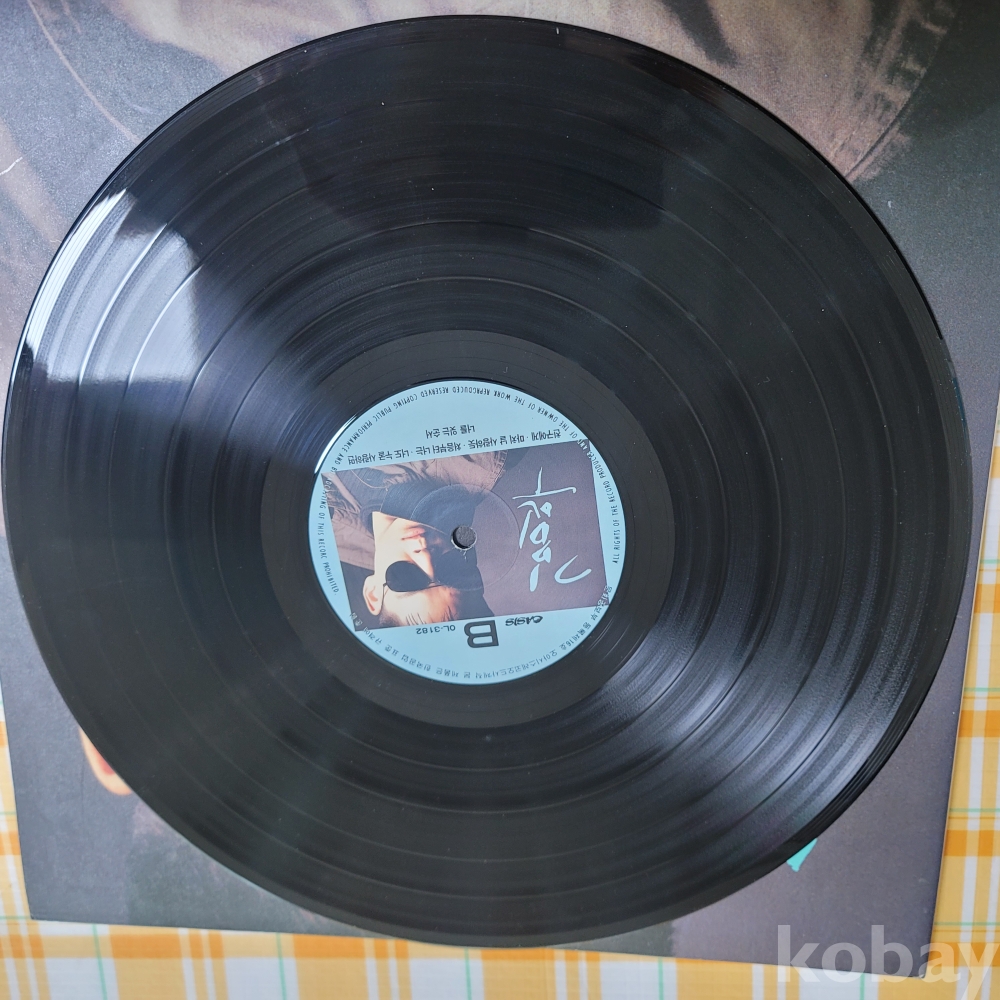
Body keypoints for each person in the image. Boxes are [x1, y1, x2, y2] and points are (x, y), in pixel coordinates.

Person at [323, 453, 503, 628]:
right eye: (449, 569)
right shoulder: (478, 455)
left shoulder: (325, 534)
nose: (425, 556)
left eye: (406, 577)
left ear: (373, 594)